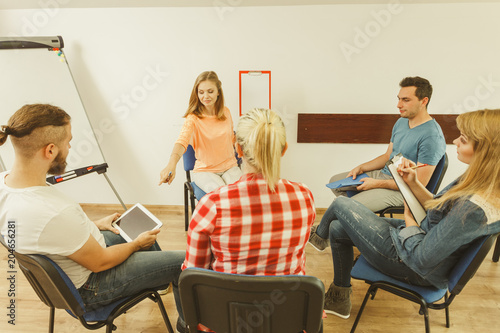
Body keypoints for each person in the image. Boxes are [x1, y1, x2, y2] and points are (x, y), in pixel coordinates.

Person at [0, 104, 188, 332]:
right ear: (50, 151)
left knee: (138, 233)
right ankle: (186, 325)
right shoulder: (55, 211)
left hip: (71, 267)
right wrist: (136, 244)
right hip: (91, 287)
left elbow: (52, 235)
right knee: (185, 262)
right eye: (68, 141)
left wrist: (94, 226)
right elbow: (101, 262)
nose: (70, 147)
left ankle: (156, 281)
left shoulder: (5, 184)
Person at [322, 109, 500, 319]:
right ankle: (339, 299)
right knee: (337, 228)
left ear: (486, 150)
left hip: (414, 266)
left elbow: (421, 259)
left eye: (463, 139)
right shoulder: (480, 180)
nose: (455, 141)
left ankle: (316, 237)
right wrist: (412, 182)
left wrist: (409, 217)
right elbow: (437, 208)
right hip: (423, 238)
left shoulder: (475, 209)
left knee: (342, 203)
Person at [309, 76, 446, 251]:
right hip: (387, 175)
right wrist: (362, 167)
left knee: (343, 205)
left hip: (404, 190)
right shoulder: (401, 122)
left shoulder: (432, 136)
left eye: (405, 100)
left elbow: (419, 183)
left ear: (423, 101)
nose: (398, 105)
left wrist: (376, 184)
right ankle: (347, 226)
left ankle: (323, 235)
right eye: (398, 99)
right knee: (337, 181)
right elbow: (388, 155)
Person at [182, 108, 316, 276]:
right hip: (288, 301)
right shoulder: (304, 196)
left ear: (238, 150)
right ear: (283, 150)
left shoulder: (211, 206)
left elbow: (193, 276)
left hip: (227, 301)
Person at [159, 71, 242, 193]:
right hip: (205, 171)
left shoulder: (226, 112)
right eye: (201, 92)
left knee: (242, 194)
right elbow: (182, 142)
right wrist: (171, 164)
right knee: (222, 196)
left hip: (230, 167)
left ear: (218, 92)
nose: (205, 96)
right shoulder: (193, 118)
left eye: (210, 91)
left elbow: (232, 139)